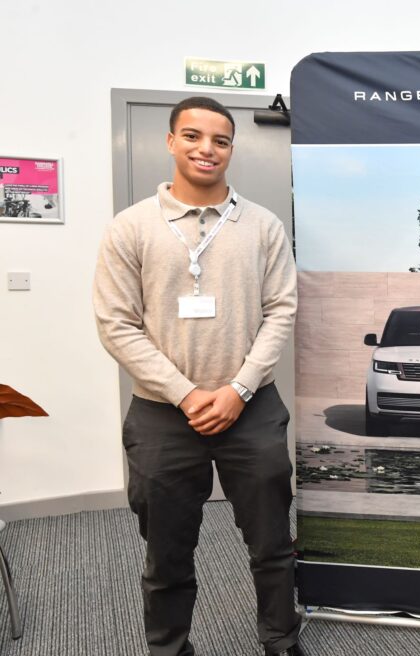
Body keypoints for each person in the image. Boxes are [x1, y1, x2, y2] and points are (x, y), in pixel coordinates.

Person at [93, 97, 303, 656]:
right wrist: (186, 395)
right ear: (170, 141)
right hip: (162, 415)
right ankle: (169, 647)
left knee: (271, 544)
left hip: (251, 408)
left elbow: (281, 310)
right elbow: (116, 325)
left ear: (231, 148)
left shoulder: (263, 226)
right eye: (192, 136)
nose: (206, 149)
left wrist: (239, 389)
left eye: (220, 140)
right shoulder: (130, 227)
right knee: (166, 552)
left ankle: (280, 640)